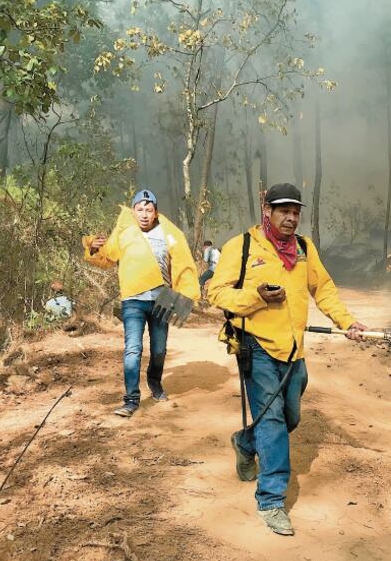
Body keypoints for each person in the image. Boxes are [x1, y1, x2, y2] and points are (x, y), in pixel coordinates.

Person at [208, 183, 367, 536]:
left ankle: (245, 443)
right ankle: (271, 500)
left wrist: (347, 322)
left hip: (294, 351)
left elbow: (323, 289)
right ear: (267, 210)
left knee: (290, 416)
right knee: (274, 422)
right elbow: (215, 291)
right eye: (283, 211)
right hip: (258, 346)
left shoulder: (304, 249)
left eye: (295, 212)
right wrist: (257, 296)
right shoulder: (243, 246)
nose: (291, 218)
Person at [83, 189, 200, 417]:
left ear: (156, 213)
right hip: (133, 301)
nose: (144, 214)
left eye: (149, 209)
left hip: (162, 300)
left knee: (158, 350)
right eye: (140, 209)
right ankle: (131, 399)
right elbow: (107, 259)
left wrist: (185, 294)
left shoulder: (168, 234)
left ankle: (154, 382)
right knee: (133, 349)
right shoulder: (124, 233)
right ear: (134, 211)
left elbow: (183, 265)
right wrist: (94, 249)